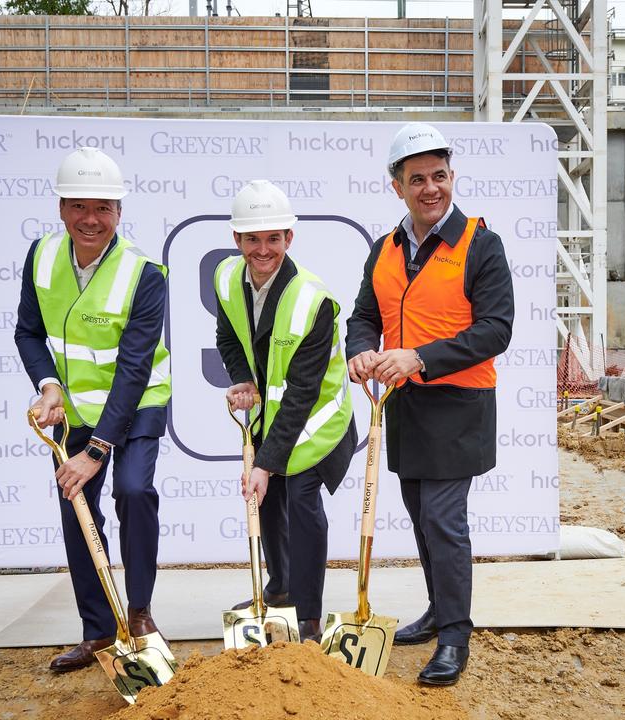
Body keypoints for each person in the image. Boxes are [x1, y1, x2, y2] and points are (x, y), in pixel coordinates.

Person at [344, 123, 514, 686]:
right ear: (398, 187)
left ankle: (454, 637)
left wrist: (419, 357)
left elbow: (495, 330)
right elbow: (363, 316)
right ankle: (440, 610)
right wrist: (363, 352)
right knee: (421, 518)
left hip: (459, 406)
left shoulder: (480, 246)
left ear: (451, 177)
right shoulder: (385, 249)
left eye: (439, 176)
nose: (430, 188)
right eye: (417, 179)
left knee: (444, 521)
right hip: (405, 408)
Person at [14, 146, 172, 672]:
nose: (90, 219)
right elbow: (28, 332)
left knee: (133, 490)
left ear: (119, 213)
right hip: (72, 413)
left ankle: (141, 613)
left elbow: (132, 370)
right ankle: (100, 631)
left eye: (103, 208)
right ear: (61, 209)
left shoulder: (145, 273)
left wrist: (98, 450)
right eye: (79, 206)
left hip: (137, 405)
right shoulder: (40, 256)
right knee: (76, 511)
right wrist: (49, 385)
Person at [215, 179, 358, 643]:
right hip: (271, 414)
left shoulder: (313, 301)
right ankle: (279, 590)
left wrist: (266, 462)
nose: (262, 250)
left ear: (289, 239)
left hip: (318, 420)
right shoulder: (226, 279)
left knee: (298, 499)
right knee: (270, 499)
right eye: (252, 239)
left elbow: (300, 394)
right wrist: (242, 378)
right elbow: (229, 338)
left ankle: (310, 616)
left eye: (273, 238)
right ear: (236, 240)